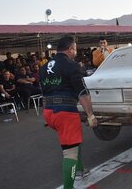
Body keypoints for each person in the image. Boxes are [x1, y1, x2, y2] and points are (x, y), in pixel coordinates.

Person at [39, 36, 98, 189]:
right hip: (65, 112)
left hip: (48, 112)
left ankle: (80, 169)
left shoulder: (44, 67)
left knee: (71, 141)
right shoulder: (72, 66)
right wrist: (90, 115)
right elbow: (82, 93)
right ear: (70, 48)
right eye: (75, 49)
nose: (75, 52)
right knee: (70, 152)